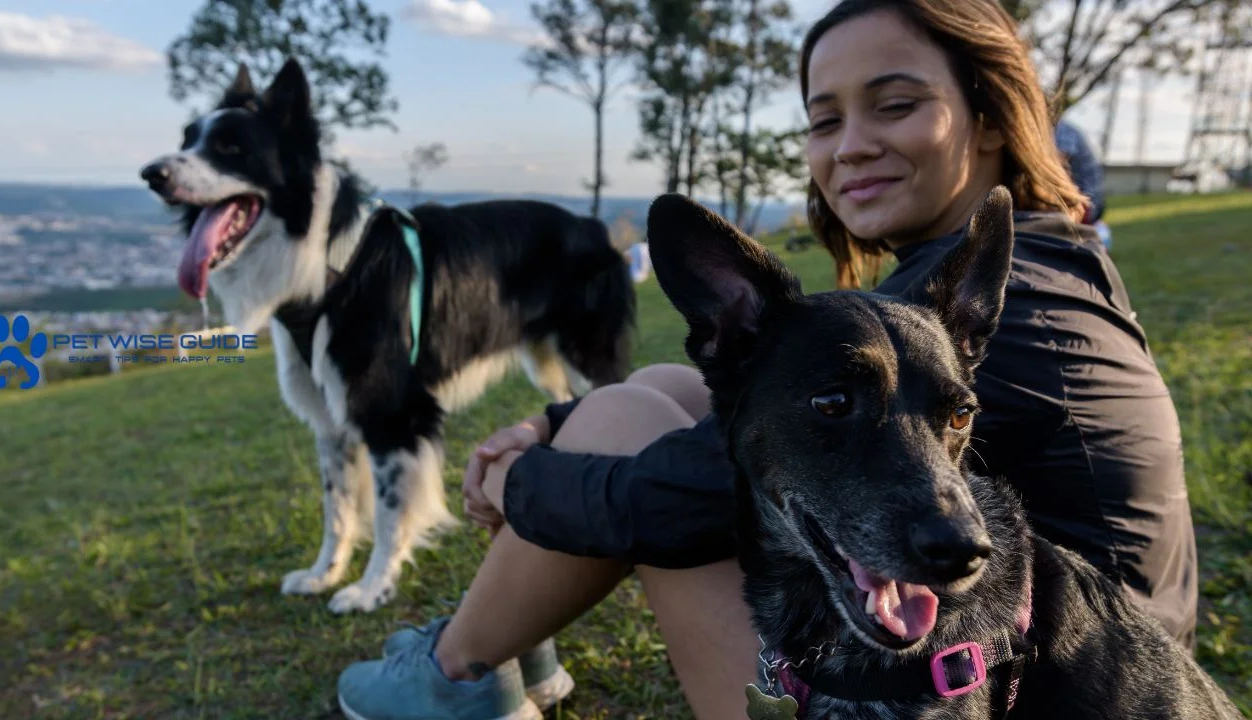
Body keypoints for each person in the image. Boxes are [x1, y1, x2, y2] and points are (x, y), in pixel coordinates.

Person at [334, 1, 1199, 718]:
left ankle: (456, 673)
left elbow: (676, 502)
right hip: (979, 621)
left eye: (894, 105)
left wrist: (512, 482)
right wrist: (542, 422)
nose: (849, 144)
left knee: (621, 421)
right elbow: (760, 402)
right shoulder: (1001, 271)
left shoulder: (1022, 306)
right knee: (665, 387)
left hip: (1032, 678)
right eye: (826, 119)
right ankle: (498, 655)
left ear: (989, 115)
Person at [1055, 117, 1113, 249]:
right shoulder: (1062, 128)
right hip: (1083, 201)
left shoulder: (1061, 130)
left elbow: (1056, 166)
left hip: (1086, 203)